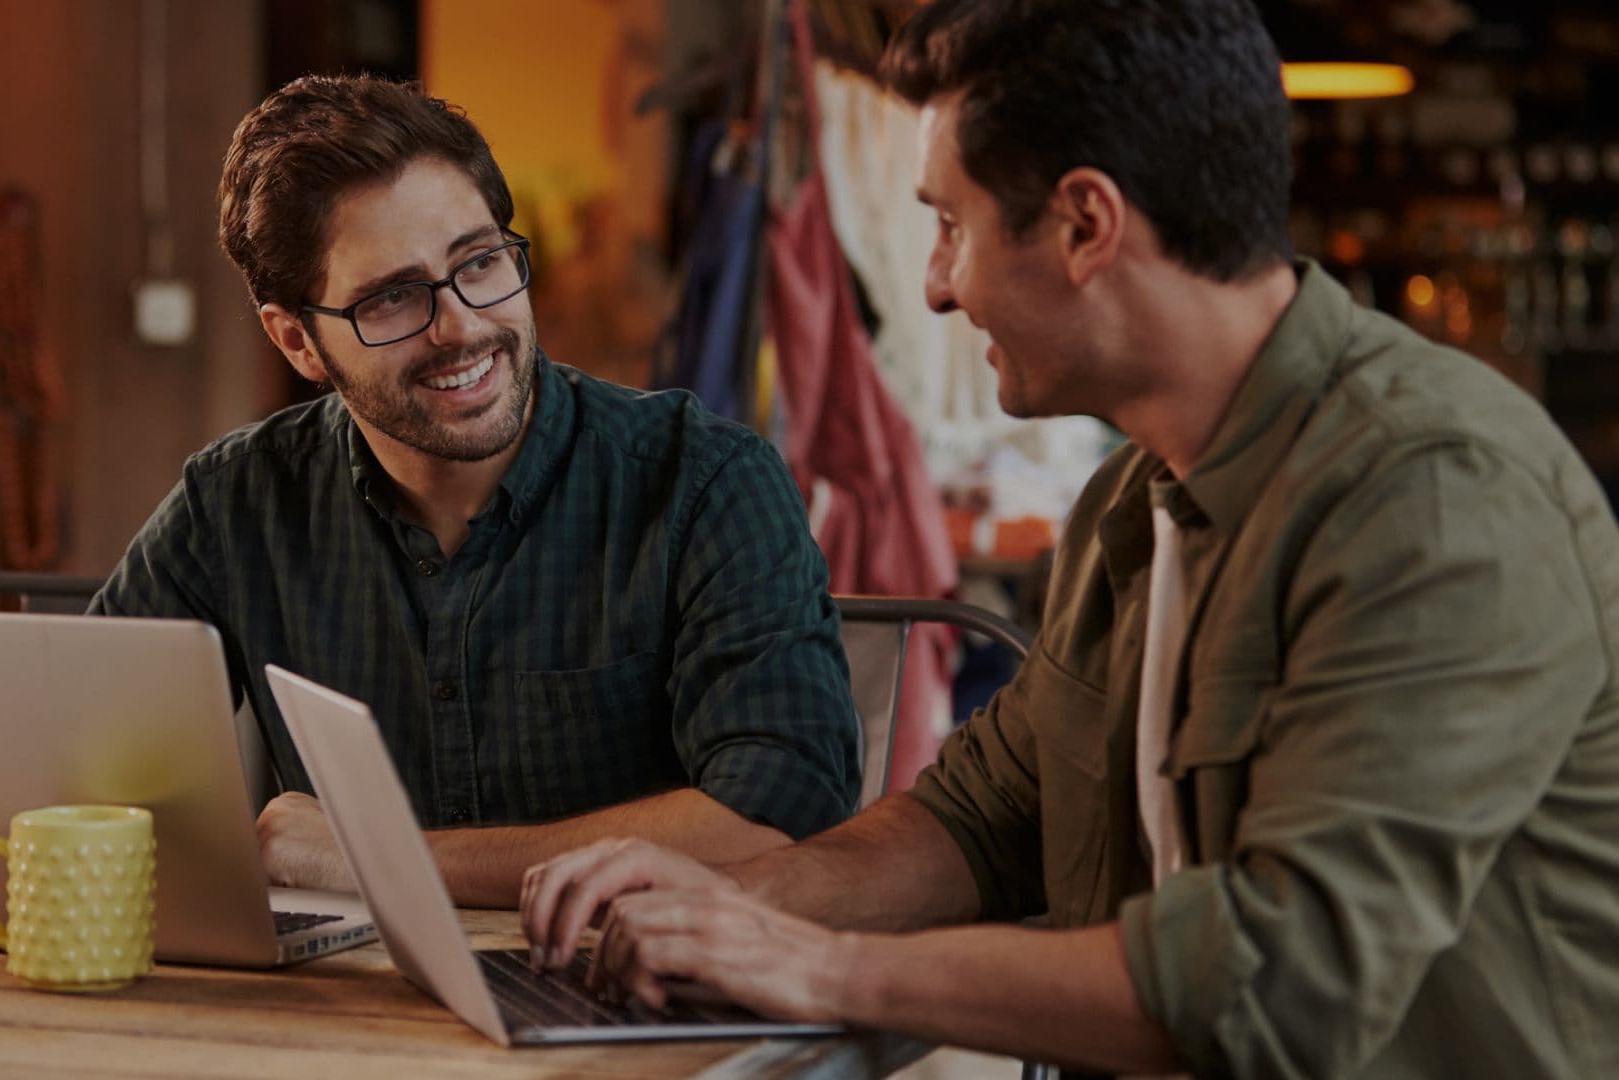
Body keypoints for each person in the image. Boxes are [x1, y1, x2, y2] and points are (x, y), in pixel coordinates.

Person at [520, 1, 1619, 1075]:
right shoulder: (1131, 499)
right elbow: (984, 817)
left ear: (1087, 225)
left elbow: (1277, 985)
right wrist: (723, 906)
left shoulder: (1434, 499)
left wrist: (822, 967)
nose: (935, 287)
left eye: (950, 226)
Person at [91, 75, 860, 908]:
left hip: (631, 1005)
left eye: (480, 262)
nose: (461, 327)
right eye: (392, 298)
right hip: (348, 1016)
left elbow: (782, 815)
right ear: (299, 343)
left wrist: (380, 859)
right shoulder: (235, 504)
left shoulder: (703, 483)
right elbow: (74, 768)